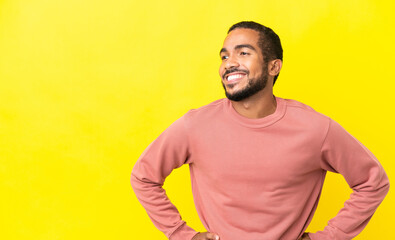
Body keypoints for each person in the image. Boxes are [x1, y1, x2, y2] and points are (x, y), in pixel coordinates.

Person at [131, 21, 389, 240]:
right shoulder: (195, 125)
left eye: (243, 53)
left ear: (273, 67)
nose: (229, 63)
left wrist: (329, 236)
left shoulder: (315, 129)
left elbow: (372, 182)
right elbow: (144, 177)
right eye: (224, 56)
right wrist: (181, 233)